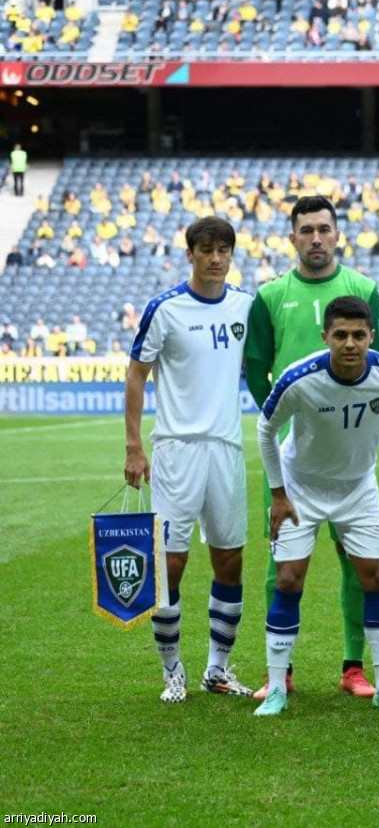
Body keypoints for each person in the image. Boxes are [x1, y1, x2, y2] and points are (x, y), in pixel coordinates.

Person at [254, 296, 379, 717]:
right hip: (302, 487)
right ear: (326, 337)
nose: (350, 343)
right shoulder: (299, 378)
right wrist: (279, 493)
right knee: (287, 580)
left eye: (359, 335)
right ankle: (279, 685)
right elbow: (266, 430)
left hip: (358, 488)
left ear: (372, 336)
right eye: (341, 335)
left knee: (375, 577)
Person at [244, 194, 379, 700]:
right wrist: (287, 424)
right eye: (305, 230)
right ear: (293, 238)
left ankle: (353, 666)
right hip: (293, 461)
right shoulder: (268, 296)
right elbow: (256, 368)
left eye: (323, 229)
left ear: (336, 234)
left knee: (360, 562)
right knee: (282, 567)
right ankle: (279, 672)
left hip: (348, 457)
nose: (315, 238)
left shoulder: (363, 289)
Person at [124, 216, 255, 703]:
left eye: (223, 249)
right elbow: (136, 375)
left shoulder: (245, 304)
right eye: (206, 249)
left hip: (225, 447)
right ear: (191, 254)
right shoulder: (166, 309)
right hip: (176, 449)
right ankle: (172, 670)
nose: (216, 258)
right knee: (171, 564)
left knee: (230, 558)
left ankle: (217, 670)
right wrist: (135, 447)